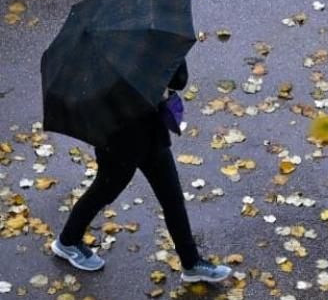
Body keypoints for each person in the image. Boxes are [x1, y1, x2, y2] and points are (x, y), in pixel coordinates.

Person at [50, 62, 232, 283]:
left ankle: (191, 263)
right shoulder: (106, 57)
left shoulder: (151, 43)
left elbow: (178, 80)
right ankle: (68, 241)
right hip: (117, 141)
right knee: (104, 192)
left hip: (152, 133)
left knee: (172, 198)